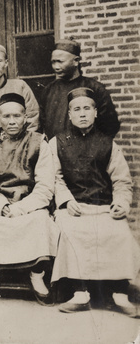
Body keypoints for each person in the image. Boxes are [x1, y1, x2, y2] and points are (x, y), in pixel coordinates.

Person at [49, 87, 140, 316]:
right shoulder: (57, 142)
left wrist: (121, 203)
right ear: (69, 114)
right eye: (76, 109)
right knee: (72, 231)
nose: (82, 114)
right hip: (74, 207)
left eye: (87, 108)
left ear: (96, 112)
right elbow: (54, 178)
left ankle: (119, 292)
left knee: (118, 232)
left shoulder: (108, 143)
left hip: (102, 207)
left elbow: (122, 181)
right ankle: (81, 292)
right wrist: (66, 201)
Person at [0, 93, 58, 305]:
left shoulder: (39, 143)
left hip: (29, 204)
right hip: (1, 203)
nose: (12, 121)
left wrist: (21, 208)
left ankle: (37, 275)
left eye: (17, 115)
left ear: (26, 117)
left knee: (40, 221)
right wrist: (1, 206)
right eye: (6, 116)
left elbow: (45, 186)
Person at [40, 39, 120, 139]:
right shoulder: (48, 90)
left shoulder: (95, 88)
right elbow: (42, 124)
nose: (56, 67)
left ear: (76, 61)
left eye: (60, 62)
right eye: (53, 62)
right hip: (55, 150)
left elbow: (110, 126)